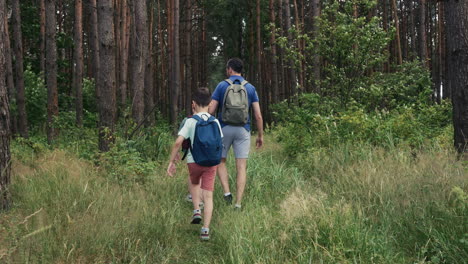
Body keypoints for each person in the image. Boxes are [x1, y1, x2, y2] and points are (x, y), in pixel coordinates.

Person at [167, 87, 223, 240]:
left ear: (193, 104)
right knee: (209, 196)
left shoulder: (191, 121)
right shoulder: (216, 121)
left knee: (194, 181)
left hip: (194, 161)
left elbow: (178, 142)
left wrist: (171, 161)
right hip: (212, 163)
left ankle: (196, 209)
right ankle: (205, 230)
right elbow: (220, 142)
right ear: (210, 103)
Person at [209, 58, 264, 209]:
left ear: (230, 70)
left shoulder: (222, 85)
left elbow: (211, 110)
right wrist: (260, 135)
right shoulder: (250, 88)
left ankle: (227, 192)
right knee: (241, 166)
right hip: (243, 130)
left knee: (220, 161)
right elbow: (258, 115)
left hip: (224, 128)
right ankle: (238, 203)